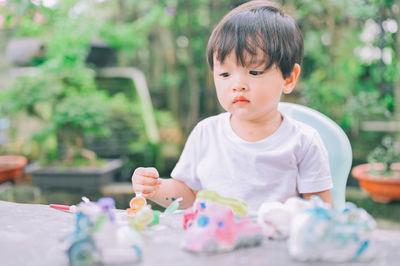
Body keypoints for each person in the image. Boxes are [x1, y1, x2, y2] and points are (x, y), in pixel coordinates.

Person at [131, 0, 333, 212]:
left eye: (254, 72)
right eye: (225, 74)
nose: (238, 85)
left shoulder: (302, 141)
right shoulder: (206, 133)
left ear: (289, 78)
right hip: (217, 239)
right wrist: (154, 188)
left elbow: (320, 211)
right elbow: (188, 195)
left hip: (275, 242)